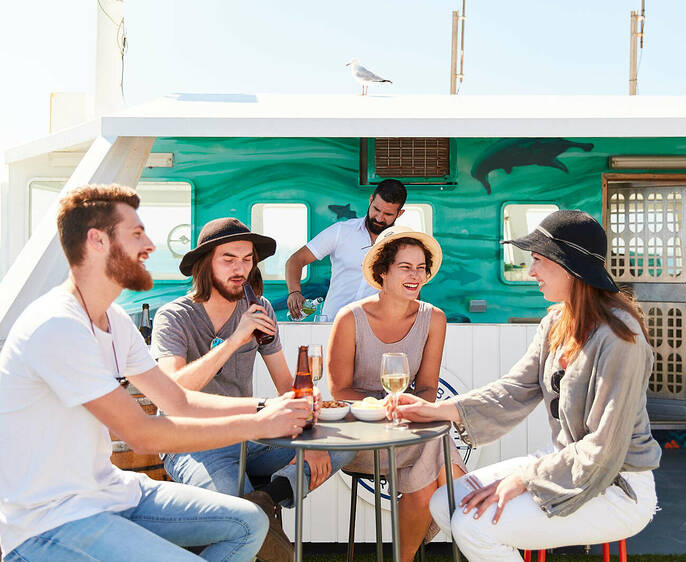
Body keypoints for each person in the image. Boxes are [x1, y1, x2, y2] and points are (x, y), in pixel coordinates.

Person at [0, 184, 312, 562]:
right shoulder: (57, 325)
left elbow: (177, 400)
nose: (149, 244)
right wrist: (259, 423)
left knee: (250, 521)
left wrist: (265, 406)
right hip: (49, 521)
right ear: (97, 241)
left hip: (112, 491)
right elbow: (142, 434)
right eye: (136, 233)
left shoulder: (115, 321)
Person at [391, 210, 662, 562]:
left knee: (474, 526)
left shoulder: (620, 338)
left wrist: (524, 479)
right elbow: (513, 390)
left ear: (568, 266)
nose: (531, 271)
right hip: (565, 466)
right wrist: (436, 409)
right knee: (446, 503)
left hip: (616, 485)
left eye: (536, 260)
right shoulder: (556, 323)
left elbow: (603, 448)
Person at [151, 217, 356, 560]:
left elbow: (287, 387)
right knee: (244, 519)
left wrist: (311, 439)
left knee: (342, 446)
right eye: (228, 259)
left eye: (247, 260)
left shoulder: (259, 310)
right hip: (191, 442)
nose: (240, 268)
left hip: (249, 435)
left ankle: (270, 497)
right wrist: (235, 339)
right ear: (205, 264)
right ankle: (263, 521)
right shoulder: (174, 317)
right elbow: (172, 393)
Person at [327, 225, 467, 562]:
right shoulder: (350, 318)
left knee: (428, 455)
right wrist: (384, 406)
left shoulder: (434, 319)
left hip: (407, 431)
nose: (416, 275)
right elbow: (339, 389)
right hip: (362, 437)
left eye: (421, 268)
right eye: (405, 267)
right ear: (383, 271)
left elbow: (429, 388)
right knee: (437, 455)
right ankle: (481, 527)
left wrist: (407, 409)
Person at [285, 178, 407, 320]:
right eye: (376, 209)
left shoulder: (402, 244)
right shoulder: (341, 231)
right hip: (333, 324)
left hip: (376, 329)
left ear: (399, 214)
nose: (379, 218)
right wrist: (294, 292)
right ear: (371, 200)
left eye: (388, 214)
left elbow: (411, 286)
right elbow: (295, 260)